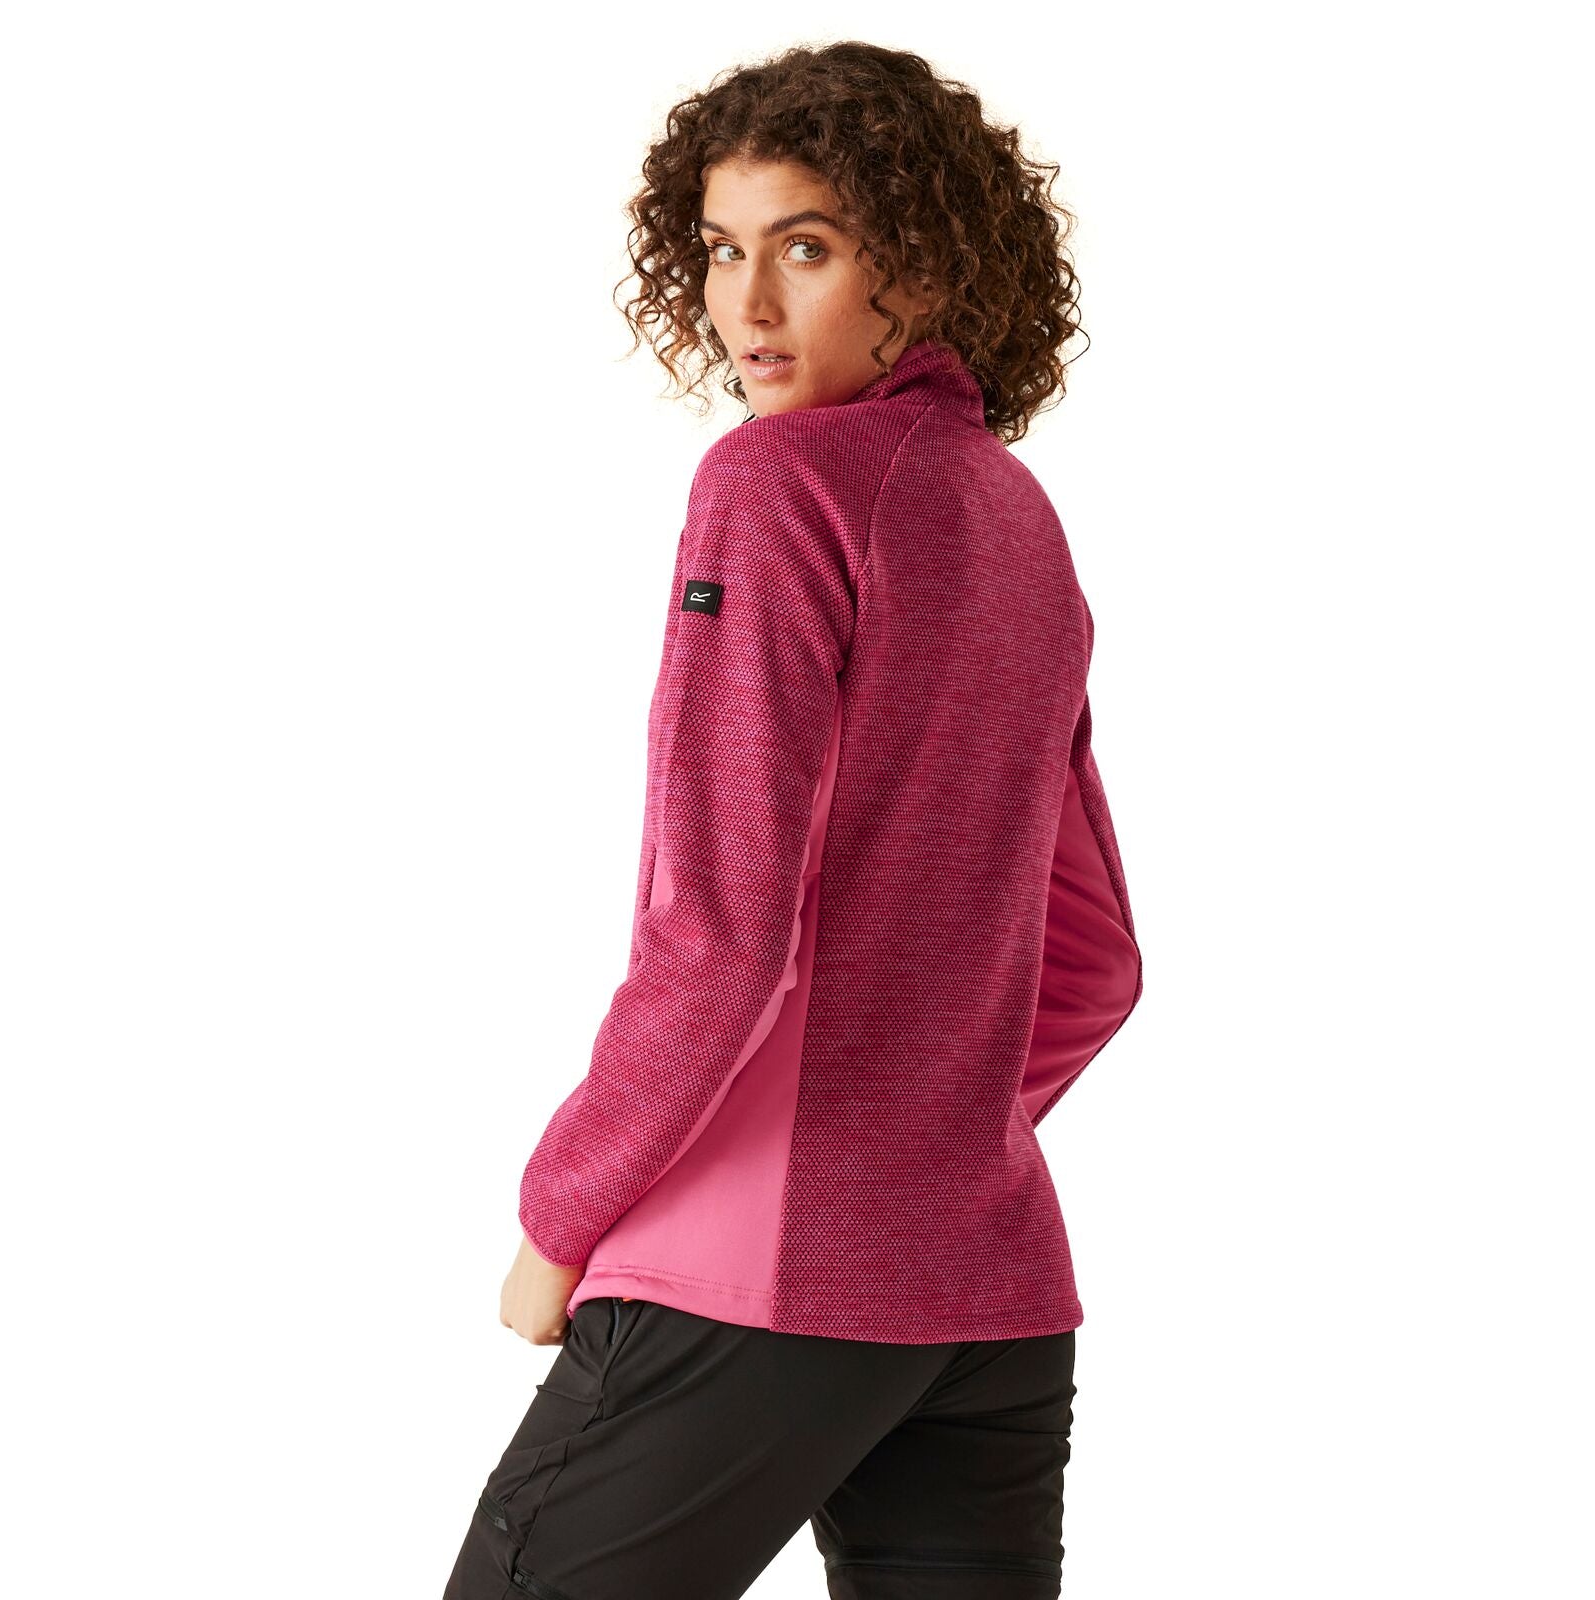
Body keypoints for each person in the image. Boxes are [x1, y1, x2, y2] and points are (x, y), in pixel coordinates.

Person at [444, 40, 1142, 1600]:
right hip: (992, 1299)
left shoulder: (774, 485)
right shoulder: (1016, 518)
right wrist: (919, 1131)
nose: (746, 305)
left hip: (755, 1284)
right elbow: (1097, 961)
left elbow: (719, 938)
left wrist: (558, 1219)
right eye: (720, 250)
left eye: (806, 249)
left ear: (927, 265)